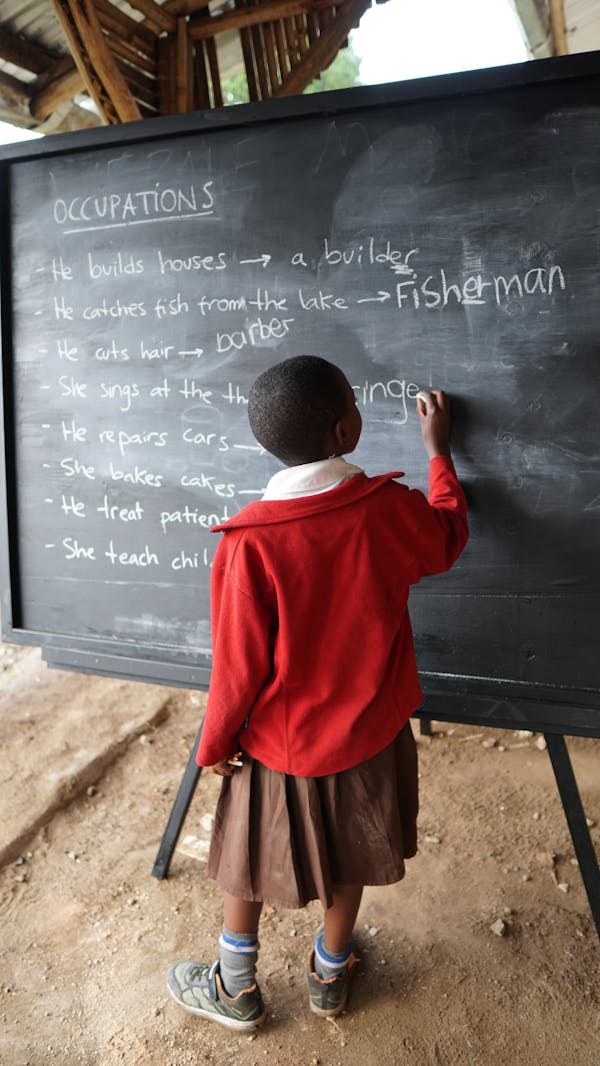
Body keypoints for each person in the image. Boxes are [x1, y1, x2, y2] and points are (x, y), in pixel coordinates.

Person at [167, 355, 468, 1031]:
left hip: (280, 743)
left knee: (245, 860)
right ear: (344, 430)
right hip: (369, 733)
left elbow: (237, 671)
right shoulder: (389, 511)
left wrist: (214, 747)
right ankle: (330, 974)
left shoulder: (250, 544)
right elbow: (448, 535)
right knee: (353, 848)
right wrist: (439, 454)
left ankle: (235, 986)